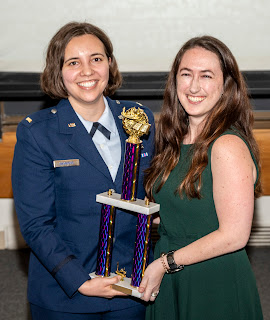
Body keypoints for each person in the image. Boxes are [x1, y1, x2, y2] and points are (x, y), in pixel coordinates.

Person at [12, 22, 155, 320]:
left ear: (110, 64)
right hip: (66, 294)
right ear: (58, 72)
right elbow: (36, 223)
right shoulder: (37, 133)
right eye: (73, 62)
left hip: (131, 289)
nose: (87, 71)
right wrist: (80, 280)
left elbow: (150, 196)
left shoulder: (139, 119)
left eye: (96, 59)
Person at [138, 35, 263, 319]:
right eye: (186, 74)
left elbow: (234, 236)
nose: (194, 86)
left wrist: (164, 264)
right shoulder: (174, 139)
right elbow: (182, 210)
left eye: (206, 76)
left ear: (226, 86)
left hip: (212, 279)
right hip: (172, 270)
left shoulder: (227, 145)